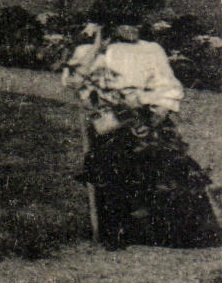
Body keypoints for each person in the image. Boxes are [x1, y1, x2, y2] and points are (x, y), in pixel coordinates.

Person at [62, 18, 221, 250]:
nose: (132, 29)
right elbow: (74, 83)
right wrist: (96, 47)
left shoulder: (151, 49)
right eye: (125, 23)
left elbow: (168, 85)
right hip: (113, 119)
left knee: (174, 161)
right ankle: (121, 229)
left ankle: (180, 232)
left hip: (150, 113)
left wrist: (160, 109)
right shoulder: (90, 51)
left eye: (136, 24)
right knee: (116, 158)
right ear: (111, 25)